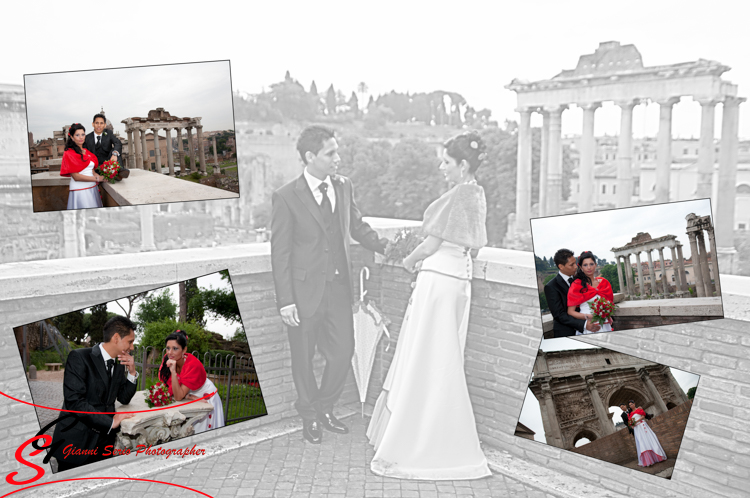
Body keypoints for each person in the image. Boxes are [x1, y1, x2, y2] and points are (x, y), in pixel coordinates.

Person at [366, 131, 492, 480]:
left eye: (447, 162)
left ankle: (415, 436)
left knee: (424, 354)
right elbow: (473, 243)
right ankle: (435, 427)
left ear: (463, 164)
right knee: (444, 356)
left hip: (437, 280)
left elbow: (430, 244)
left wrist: (408, 261)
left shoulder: (458, 195)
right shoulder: (477, 193)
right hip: (459, 280)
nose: (441, 167)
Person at [270, 125, 387, 444]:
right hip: (303, 293)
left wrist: (387, 247)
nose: (338, 158)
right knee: (303, 358)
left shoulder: (344, 186)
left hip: (338, 289)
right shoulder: (285, 196)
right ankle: (309, 416)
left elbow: (358, 226)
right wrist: (286, 300)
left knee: (342, 352)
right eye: (330, 153)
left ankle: (324, 407)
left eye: (337, 151)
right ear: (310, 157)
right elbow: (279, 252)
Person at [50, 316, 138, 471]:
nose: (131, 347)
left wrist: (132, 372)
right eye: (130, 341)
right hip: (75, 443)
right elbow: (75, 402)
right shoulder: (79, 357)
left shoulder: (118, 365)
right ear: (116, 338)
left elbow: (124, 398)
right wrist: (110, 422)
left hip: (104, 444)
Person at [158, 330, 224, 434]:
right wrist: (187, 396)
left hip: (205, 397)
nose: (170, 352)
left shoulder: (193, 365)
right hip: (189, 395)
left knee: (199, 433)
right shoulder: (168, 358)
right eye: (168, 348)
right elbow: (172, 389)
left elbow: (178, 396)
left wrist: (173, 372)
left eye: (175, 348)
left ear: (184, 350)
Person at [544, 249, 601, 337]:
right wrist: (584, 324)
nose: (576, 266)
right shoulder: (551, 286)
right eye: (572, 265)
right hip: (566, 333)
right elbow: (559, 315)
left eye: (575, 263)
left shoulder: (579, 280)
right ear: (561, 267)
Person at [567, 251, 614, 334]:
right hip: (588, 325)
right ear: (581, 267)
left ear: (595, 265)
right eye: (585, 265)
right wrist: (590, 317)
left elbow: (609, 304)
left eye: (591, 264)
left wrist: (607, 314)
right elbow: (570, 312)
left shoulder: (604, 283)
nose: (589, 267)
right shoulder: (576, 285)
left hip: (604, 324)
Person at [60, 123, 104, 209]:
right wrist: (98, 179)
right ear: (72, 137)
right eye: (77, 135)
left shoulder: (87, 151)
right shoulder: (68, 153)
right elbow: (76, 176)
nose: (81, 137)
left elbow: (92, 171)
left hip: (92, 188)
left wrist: (104, 177)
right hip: (80, 190)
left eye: (83, 134)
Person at [84, 113, 128, 180]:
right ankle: (113, 174)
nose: (99, 125)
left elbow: (118, 143)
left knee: (115, 150)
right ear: (93, 124)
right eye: (97, 123)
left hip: (108, 163)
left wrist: (115, 154)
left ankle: (120, 171)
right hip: (95, 167)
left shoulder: (109, 133)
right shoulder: (87, 138)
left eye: (101, 123)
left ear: (105, 125)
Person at [627, 400, 666, 467]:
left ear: (634, 404)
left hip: (642, 426)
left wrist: (636, 421)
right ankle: (648, 460)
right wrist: (632, 425)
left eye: (632, 404)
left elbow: (643, 416)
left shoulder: (639, 409)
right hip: (637, 429)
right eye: (630, 405)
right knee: (642, 442)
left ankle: (657, 455)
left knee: (648, 439)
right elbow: (630, 421)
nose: (631, 406)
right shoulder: (630, 414)